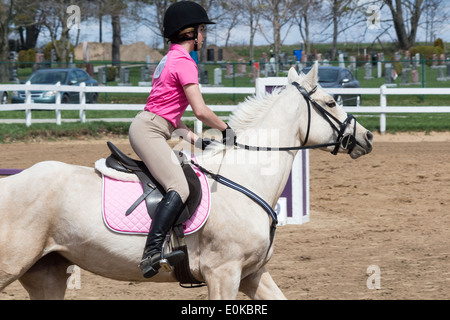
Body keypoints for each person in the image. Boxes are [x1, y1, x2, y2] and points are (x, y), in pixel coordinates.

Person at [128, 1, 236, 279]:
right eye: (202, 30)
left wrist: (198, 141)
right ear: (191, 33)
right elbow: (200, 110)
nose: (204, 36)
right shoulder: (186, 62)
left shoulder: (169, 58)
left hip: (153, 127)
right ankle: (152, 252)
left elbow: (172, 118)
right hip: (151, 131)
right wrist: (227, 130)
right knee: (180, 186)